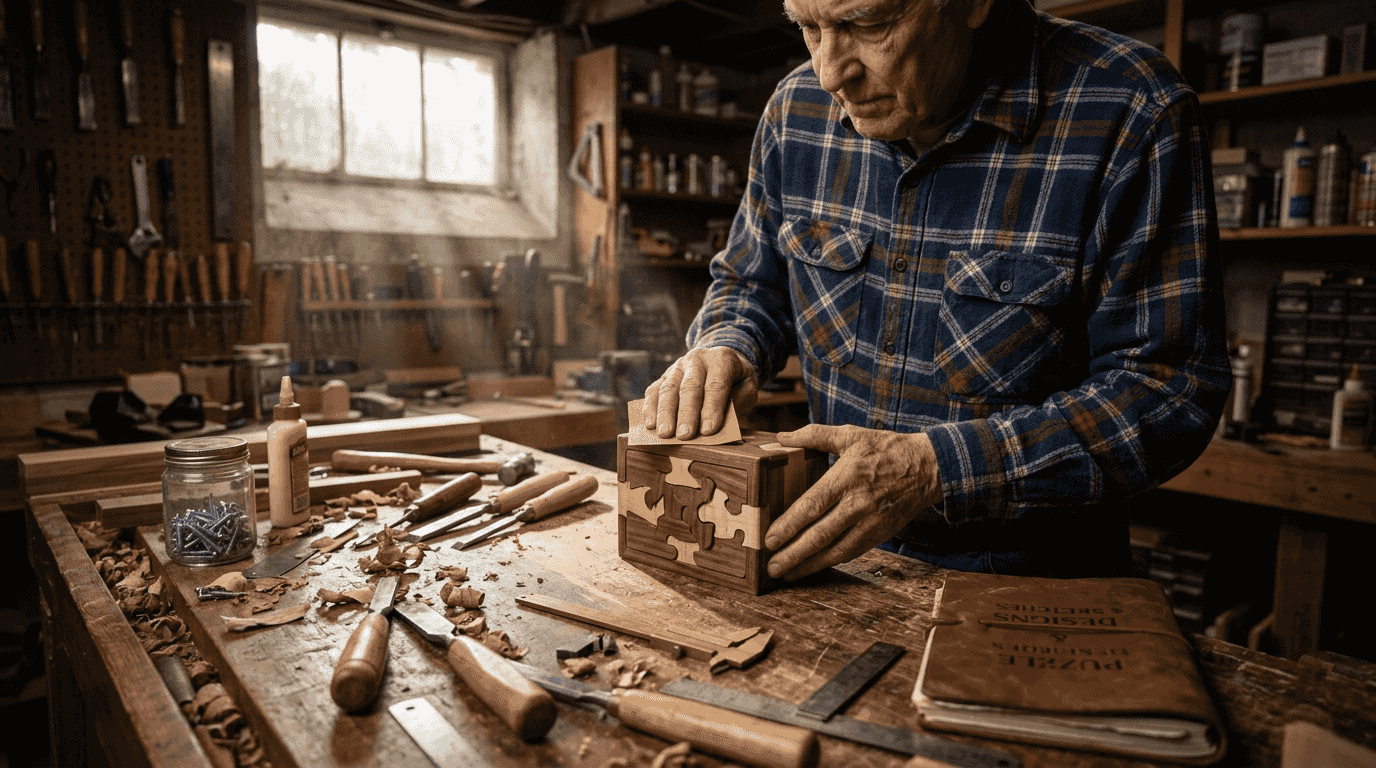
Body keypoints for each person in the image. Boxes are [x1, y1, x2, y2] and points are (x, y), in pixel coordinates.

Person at [642, 0, 1229, 582]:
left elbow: (1168, 389)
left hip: (1029, 594)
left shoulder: (1130, 109)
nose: (830, 72)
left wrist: (937, 470)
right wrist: (728, 344)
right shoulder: (795, 112)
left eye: (868, 25)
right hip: (839, 573)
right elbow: (752, 284)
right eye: (808, 28)